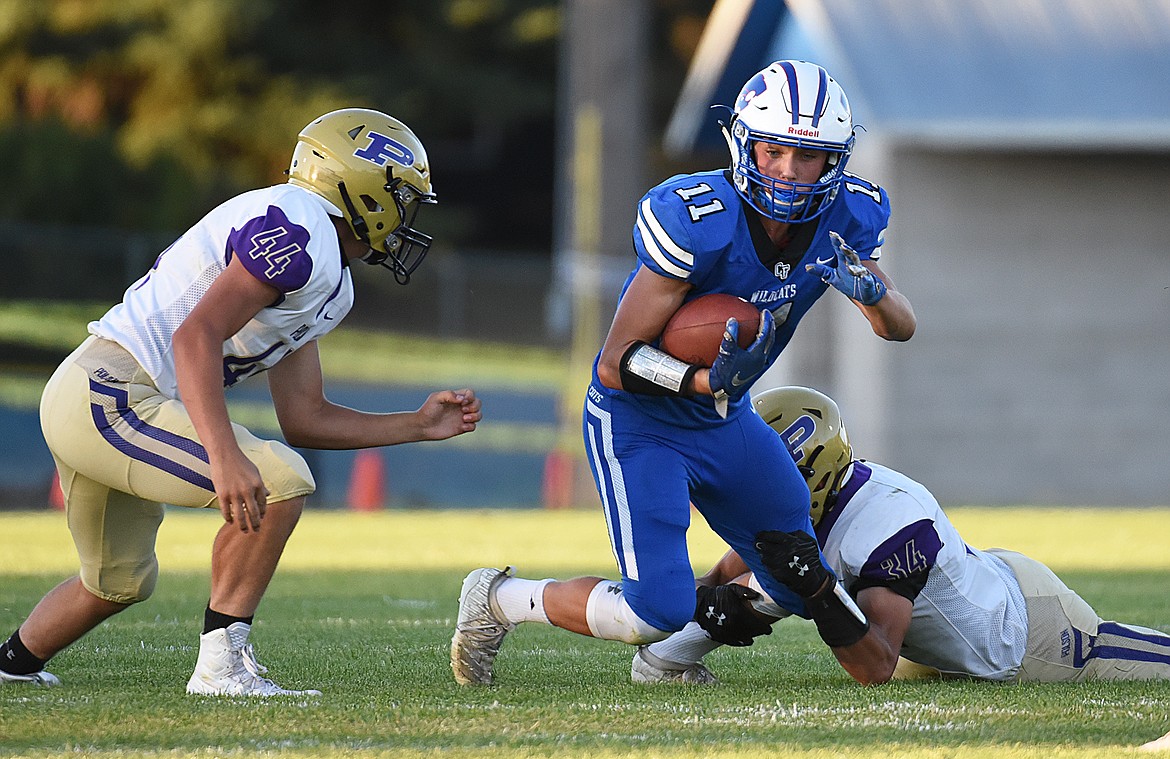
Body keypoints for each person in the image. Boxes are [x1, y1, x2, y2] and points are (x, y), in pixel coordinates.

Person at [450, 60, 916, 686]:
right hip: (640, 421)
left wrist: (873, 293)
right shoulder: (700, 219)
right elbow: (616, 364)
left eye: (807, 156)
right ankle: (500, 600)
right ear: (744, 144)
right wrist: (706, 381)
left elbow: (899, 327)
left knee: (793, 570)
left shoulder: (848, 218)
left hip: (725, 420)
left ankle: (669, 666)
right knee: (657, 609)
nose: (787, 170)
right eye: (774, 149)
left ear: (835, 159)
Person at [0, 108, 482, 696]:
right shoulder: (298, 236)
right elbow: (194, 337)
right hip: (111, 394)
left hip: (100, 399)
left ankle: (11, 662)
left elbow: (305, 415)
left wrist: (416, 424)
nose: (404, 217)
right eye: (401, 199)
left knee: (117, 580)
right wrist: (225, 456)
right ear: (363, 189)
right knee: (277, 480)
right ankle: (221, 668)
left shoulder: (325, 271)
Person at [631, 386, 1170, 687]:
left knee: (1133, 663)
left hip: (1029, 634)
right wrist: (703, 602)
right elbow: (749, 568)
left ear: (811, 472)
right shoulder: (817, 503)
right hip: (944, 618)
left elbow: (875, 666)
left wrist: (817, 591)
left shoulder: (888, 523)